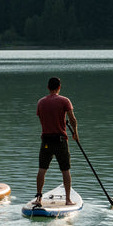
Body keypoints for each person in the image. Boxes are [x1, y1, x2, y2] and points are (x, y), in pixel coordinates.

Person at [34, 76, 78, 206]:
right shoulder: (65, 101)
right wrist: (75, 133)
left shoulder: (40, 102)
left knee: (42, 169)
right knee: (65, 170)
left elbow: (42, 119)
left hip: (46, 140)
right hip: (60, 140)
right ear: (59, 87)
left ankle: (38, 198)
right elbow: (73, 119)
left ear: (48, 88)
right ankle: (68, 200)